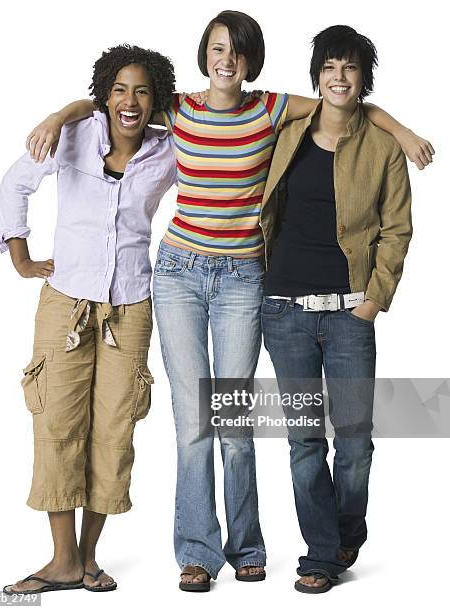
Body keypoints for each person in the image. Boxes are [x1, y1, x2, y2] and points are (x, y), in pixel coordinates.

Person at [24, 11, 433, 592]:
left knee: (234, 419)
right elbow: (112, 107)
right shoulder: (179, 109)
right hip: (179, 275)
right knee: (193, 421)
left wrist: (407, 134)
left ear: (250, 60)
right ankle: (196, 549)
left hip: (245, 277)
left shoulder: (271, 108)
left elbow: (347, 103)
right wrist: (57, 114)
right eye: (218, 49)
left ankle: (247, 547)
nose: (226, 60)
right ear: (204, 54)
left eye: (237, 51)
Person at [0, 44, 177, 595]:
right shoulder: (72, 136)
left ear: (156, 100)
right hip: (65, 301)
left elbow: (199, 129)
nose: (130, 101)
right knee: (56, 425)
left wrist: (68, 106)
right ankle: (61, 560)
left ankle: (89, 559)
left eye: (142, 90)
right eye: (119, 89)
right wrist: (22, 257)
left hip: (131, 305)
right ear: (103, 96)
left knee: (114, 431)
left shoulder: (168, 150)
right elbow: (14, 183)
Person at [260, 25, 413, 593]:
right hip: (285, 312)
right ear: (317, 75)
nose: (338, 77)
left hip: (350, 315)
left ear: (362, 80)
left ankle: (346, 532)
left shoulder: (382, 148)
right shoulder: (288, 132)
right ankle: (321, 555)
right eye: (329, 67)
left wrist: (374, 300)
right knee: (304, 439)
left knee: (354, 441)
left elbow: (397, 230)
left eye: (349, 68)